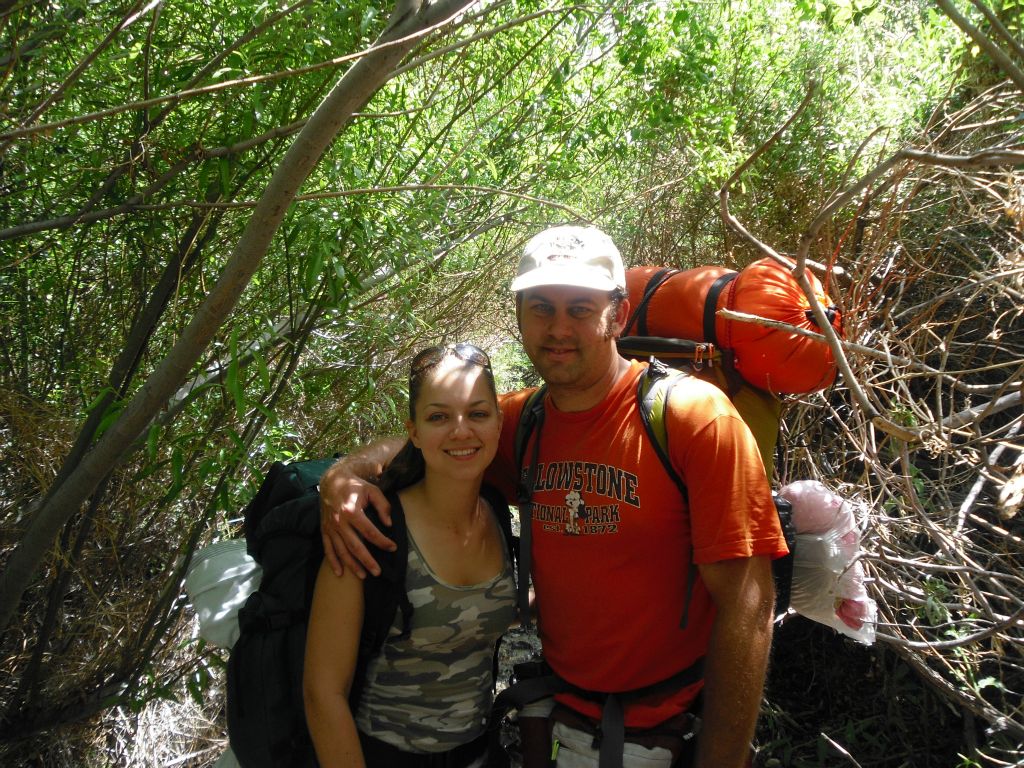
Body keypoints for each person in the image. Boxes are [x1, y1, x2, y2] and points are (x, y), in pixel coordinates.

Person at [318, 225, 788, 768]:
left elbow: (747, 607)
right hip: (564, 716)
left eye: (580, 308)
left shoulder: (691, 420)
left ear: (620, 313)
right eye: (541, 307)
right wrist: (347, 473)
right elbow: (439, 436)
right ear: (518, 315)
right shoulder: (523, 421)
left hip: (666, 727)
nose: (558, 329)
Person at [303, 343, 517, 768]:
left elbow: (471, 614)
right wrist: (341, 475)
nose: (461, 431)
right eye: (438, 417)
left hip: (479, 751)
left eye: (477, 413)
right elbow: (322, 693)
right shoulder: (369, 528)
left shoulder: (495, 510)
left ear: (498, 423)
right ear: (414, 431)